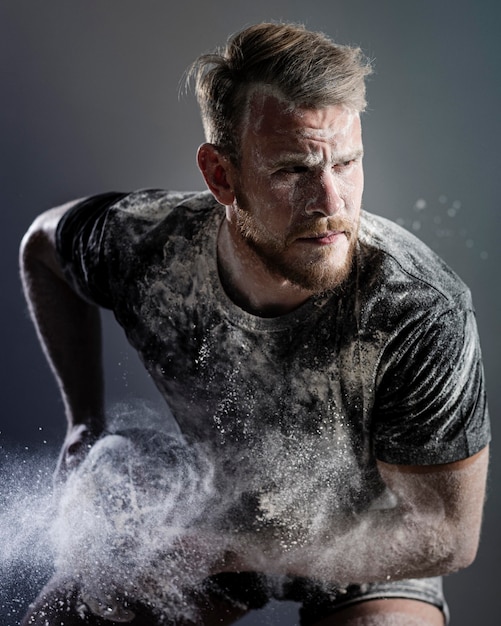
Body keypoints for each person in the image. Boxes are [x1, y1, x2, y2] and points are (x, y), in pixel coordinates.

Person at [20, 22, 490, 626]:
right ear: (221, 176)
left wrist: (228, 549)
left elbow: (448, 537)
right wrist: (82, 420)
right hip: (219, 516)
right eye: (293, 171)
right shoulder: (150, 246)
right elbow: (42, 247)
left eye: (346, 163)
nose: (331, 202)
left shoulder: (417, 309)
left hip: (369, 553)